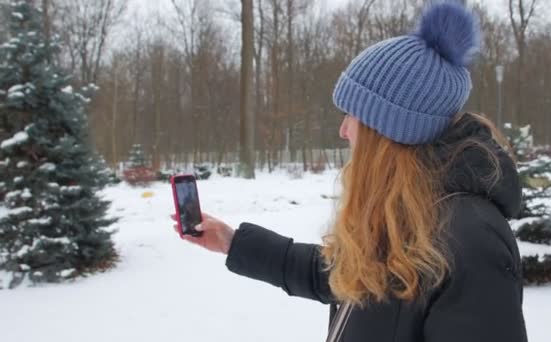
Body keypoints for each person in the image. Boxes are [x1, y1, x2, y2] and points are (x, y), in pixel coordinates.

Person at [170, 2, 528, 341]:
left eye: (352, 115)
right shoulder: (413, 209)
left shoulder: (470, 241)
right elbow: (343, 274)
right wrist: (232, 242)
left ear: (389, 130)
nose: (343, 129)